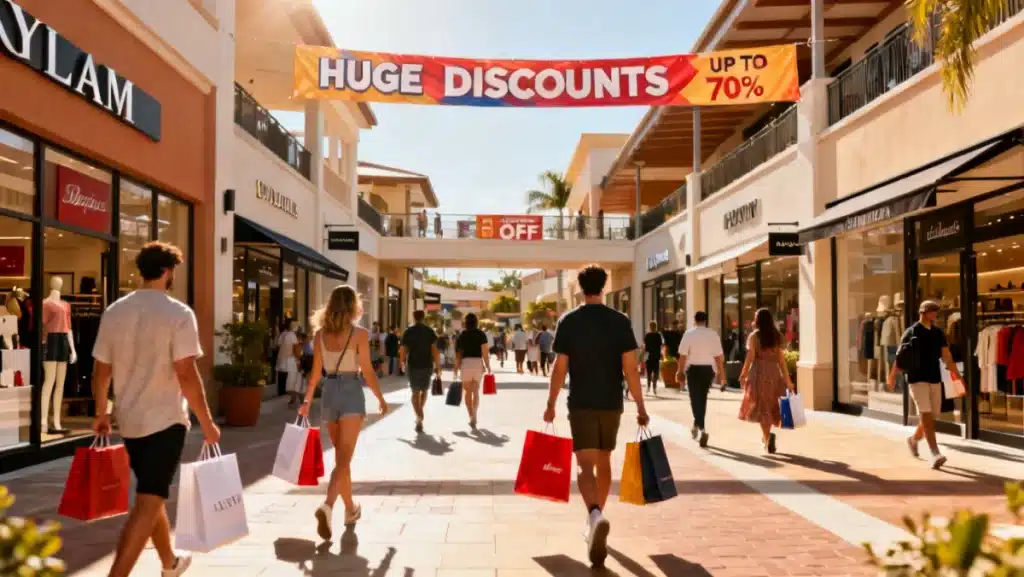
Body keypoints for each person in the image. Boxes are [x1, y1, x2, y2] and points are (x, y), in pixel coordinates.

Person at [90, 241, 218, 577]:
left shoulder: (115, 311)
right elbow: (187, 374)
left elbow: (101, 370)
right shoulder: (179, 314)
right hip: (165, 421)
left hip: (129, 421)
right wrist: (207, 422)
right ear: (167, 271)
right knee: (149, 500)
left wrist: (102, 412)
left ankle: (169, 563)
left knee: (151, 491)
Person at [544, 265, 648, 568]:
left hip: (582, 403)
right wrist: (641, 406)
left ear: (580, 288)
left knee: (584, 465)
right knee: (604, 462)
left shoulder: (569, 321)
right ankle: (596, 517)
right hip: (611, 402)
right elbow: (631, 369)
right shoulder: (620, 321)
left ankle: (594, 516)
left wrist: (551, 403)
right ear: (604, 286)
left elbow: (560, 368)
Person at [299, 285, 388, 539]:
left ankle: (350, 510)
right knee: (344, 460)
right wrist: (380, 398)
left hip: (329, 392)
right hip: (350, 393)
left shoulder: (320, 335)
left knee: (341, 460)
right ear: (352, 306)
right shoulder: (359, 334)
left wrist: (306, 401)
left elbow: (315, 372)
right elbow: (367, 371)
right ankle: (328, 505)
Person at [888, 300, 962, 469]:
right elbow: (900, 357)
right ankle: (935, 453)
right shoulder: (911, 332)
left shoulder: (938, 333)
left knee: (932, 415)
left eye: (936, 311)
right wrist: (892, 376)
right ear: (923, 312)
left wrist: (957, 376)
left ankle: (914, 440)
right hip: (916, 379)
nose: (935, 314)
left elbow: (946, 356)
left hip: (934, 378)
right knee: (926, 414)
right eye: (932, 311)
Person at [737, 308, 795, 455]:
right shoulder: (777, 336)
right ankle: (767, 437)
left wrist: (743, 374)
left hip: (758, 374)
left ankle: (767, 437)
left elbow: (750, 357)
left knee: (762, 408)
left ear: (758, 321)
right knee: (770, 405)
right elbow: (781, 361)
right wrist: (788, 381)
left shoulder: (754, 337)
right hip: (774, 374)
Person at [676, 311, 726, 448]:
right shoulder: (713, 334)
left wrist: (679, 371)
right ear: (706, 321)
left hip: (693, 370)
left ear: (694, 320)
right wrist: (723, 377)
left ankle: (702, 428)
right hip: (708, 370)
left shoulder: (689, 334)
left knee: (694, 399)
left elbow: (683, 355)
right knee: (702, 399)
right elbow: (718, 357)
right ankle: (697, 425)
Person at [401, 310, 441, 433]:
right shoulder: (430, 331)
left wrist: (402, 362)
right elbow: (435, 351)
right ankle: (419, 415)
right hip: (427, 365)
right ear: (423, 318)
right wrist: (438, 367)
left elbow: (403, 349)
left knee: (415, 392)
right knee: (424, 391)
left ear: (414, 318)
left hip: (413, 365)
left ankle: (419, 415)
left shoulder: (408, 331)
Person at [455, 313, 490, 429]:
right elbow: (485, 352)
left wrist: (455, 369)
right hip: (477, 363)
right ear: (476, 322)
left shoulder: (461, 335)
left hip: (466, 364)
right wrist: (487, 365)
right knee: (475, 391)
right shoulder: (481, 334)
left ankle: (470, 415)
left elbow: (458, 355)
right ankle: (475, 413)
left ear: (465, 322)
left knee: (467, 392)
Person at [277, 320, 301, 407]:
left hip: (284, 359)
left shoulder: (283, 334)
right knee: (293, 378)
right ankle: (294, 396)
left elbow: (278, 345)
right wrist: (298, 359)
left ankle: (293, 396)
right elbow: (295, 348)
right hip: (291, 359)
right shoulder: (292, 335)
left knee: (291, 378)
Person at [642, 321, 663, 395]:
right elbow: (661, 345)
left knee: (649, 373)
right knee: (655, 372)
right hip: (656, 356)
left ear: (650, 327)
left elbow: (645, 347)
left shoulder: (647, 335)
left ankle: (649, 387)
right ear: (655, 327)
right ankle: (654, 387)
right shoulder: (658, 335)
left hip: (649, 356)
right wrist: (661, 354)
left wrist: (643, 355)